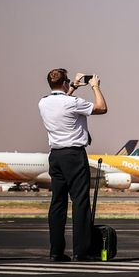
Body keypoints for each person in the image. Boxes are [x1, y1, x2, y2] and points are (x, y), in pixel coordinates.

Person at [38, 69, 107, 262]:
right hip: (74, 155)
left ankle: (56, 251)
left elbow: (62, 103)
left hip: (56, 155)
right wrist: (95, 87)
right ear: (65, 82)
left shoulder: (43, 102)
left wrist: (74, 86)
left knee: (58, 203)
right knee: (80, 202)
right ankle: (81, 251)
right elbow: (101, 108)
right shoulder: (72, 102)